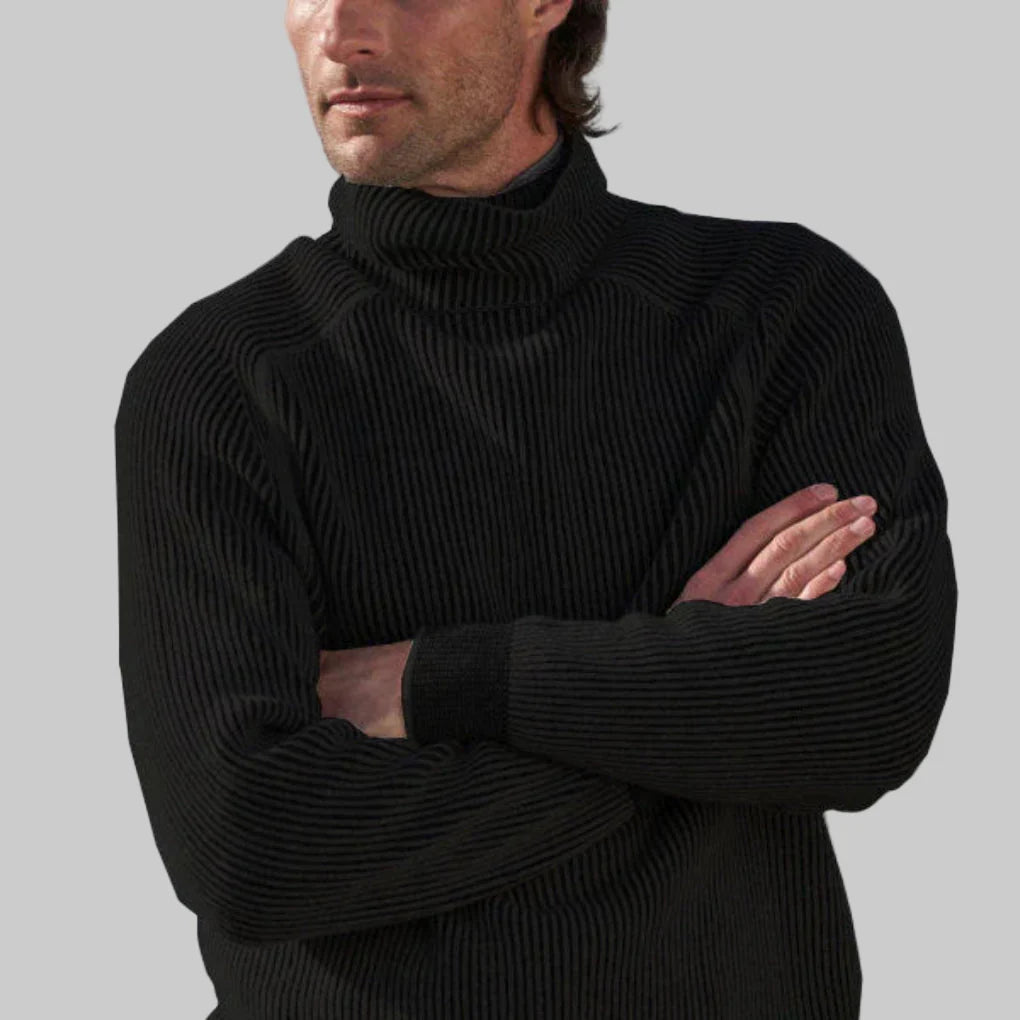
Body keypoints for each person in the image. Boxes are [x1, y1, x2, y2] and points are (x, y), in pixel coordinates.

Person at [113, 1, 957, 1017]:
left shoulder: (784, 310)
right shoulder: (218, 383)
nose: (339, 30)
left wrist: (440, 681)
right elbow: (250, 848)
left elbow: (868, 708)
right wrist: (685, 714)